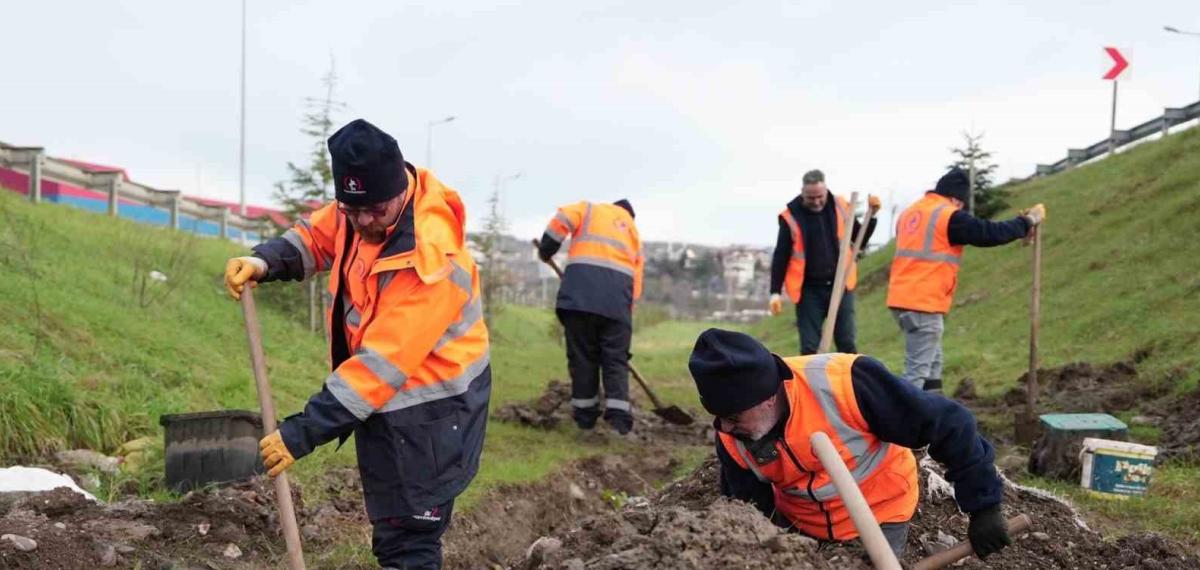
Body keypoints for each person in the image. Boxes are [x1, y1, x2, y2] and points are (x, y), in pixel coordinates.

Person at [223, 119, 490, 570]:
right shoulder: (359, 207)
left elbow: (380, 366)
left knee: (410, 540)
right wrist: (265, 260)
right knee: (393, 530)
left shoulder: (430, 256)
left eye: (375, 211)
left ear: (400, 191)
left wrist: (302, 431)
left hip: (435, 409)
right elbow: (316, 236)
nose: (363, 222)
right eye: (352, 209)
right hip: (388, 402)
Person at [688, 328, 1012, 558]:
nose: (724, 428)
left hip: (881, 512)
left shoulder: (847, 383)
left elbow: (950, 425)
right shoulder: (733, 435)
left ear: (767, 398)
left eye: (733, 416)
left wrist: (984, 506)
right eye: (719, 417)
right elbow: (749, 507)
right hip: (801, 525)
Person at [887, 167, 1045, 392]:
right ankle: (897, 422)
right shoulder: (947, 215)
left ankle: (934, 413)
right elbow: (989, 233)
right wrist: (1027, 221)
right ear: (956, 199)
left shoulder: (911, 212)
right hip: (922, 302)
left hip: (902, 298)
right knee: (917, 372)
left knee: (933, 363)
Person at [537, 199, 643, 435]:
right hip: (617, 306)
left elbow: (562, 218)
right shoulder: (632, 231)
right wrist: (625, 314)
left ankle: (585, 421)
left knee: (583, 357)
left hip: (579, 299)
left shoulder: (589, 209)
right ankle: (619, 424)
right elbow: (637, 280)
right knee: (615, 360)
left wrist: (547, 248)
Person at [768, 169, 879, 354]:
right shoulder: (790, 217)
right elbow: (781, 256)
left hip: (841, 285)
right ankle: (811, 383)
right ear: (802, 192)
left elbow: (860, 239)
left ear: (826, 189)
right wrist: (775, 292)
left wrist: (872, 215)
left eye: (820, 196)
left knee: (847, 344)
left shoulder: (841, 206)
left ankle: (847, 382)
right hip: (809, 291)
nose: (817, 201)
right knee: (810, 347)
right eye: (811, 198)